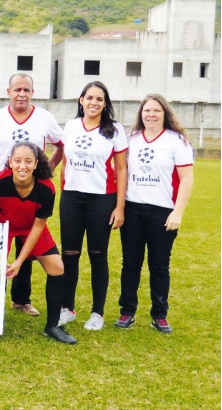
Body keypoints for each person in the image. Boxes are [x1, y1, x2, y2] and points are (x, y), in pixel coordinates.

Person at [0, 141, 76, 344]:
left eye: (28, 161)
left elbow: (39, 227)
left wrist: (19, 261)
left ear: (36, 163)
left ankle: (53, 326)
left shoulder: (47, 188)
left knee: (57, 268)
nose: (22, 166)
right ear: (10, 162)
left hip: (31, 227)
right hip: (3, 224)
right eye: (18, 161)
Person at [0, 73, 65, 318]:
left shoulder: (45, 117)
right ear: (8, 91)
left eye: (26, 90)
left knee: (27, 256)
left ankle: (21, 301)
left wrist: (46, 171)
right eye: (17, 89)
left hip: (32, 193)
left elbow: (61, 145)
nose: (21, 94)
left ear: (32, 92)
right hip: (3, 195)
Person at [115, 94, 193, 334]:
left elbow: (187, 178)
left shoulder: (176, 141)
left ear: (164, 114)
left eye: (156, 110)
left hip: (163, 212)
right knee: (131, 264)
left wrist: (177, 213)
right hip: (133, 209)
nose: (151, 114)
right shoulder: (131, 140)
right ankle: (127, 312)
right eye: (147, 110)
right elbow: (120, 171)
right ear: (141, 114)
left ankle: (159, 315)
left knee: (159, 265)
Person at [58, 81, 127, 331]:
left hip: (101, 199)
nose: (93, 103)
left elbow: (121, 168)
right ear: (81, 100)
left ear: (105, 104)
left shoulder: (115, 130)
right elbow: (65, 161)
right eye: (89, 98)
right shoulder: (71, 126)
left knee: (98, 255)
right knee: (70, 254)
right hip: (72, 198)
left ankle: (97, 313)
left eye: (99, 99)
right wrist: (66, 188)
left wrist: (119, 207)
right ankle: (67, 308)